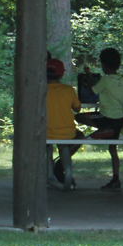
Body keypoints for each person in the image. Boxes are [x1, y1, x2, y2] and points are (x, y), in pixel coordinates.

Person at [79, 47, 123, 191]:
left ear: (104, 65)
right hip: (118, 120)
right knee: (113, 150)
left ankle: (102, 130)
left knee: (79, 116)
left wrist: (89, 75)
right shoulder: (121, 81)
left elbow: (92, 91)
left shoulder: (105, 80)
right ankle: (116, 179)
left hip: (105, 117)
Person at [46, 57, 83, 188]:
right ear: (61, 74)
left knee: (45, 145)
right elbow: (78, 108)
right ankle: (60, 165)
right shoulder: (69, 90)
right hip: (67, 133)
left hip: (45, 133)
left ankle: (50, 171)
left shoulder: (40, 90)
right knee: (80, 136)